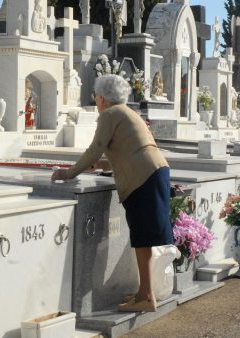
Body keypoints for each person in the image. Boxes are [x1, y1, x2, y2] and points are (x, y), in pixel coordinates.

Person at [51, 74, 172, 313]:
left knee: (142, 236)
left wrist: (68, 173)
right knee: (144, 237)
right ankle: (143, 293)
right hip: (155, 170)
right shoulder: (127, 112)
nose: (96, 101)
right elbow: (128, 150)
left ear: (103, 98)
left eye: (96, 96)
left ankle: (146, 296)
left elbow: (95, 148)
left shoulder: (109, 114)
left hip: (142, 176)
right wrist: (103, 166)